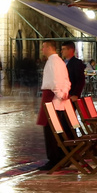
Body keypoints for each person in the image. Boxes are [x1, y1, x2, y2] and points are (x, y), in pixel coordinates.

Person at [37, 39, 70, 170]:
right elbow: (67, 81)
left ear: (50, 48)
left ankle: (53, 159)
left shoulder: (52, 62)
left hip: (52, 100)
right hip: (60, 100)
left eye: (43, 47)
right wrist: (65, 92)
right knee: (57, 129)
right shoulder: (61, 62)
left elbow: (54, 82)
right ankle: (60, 156)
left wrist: (60, 94)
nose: (42, 49)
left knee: (50, 131)